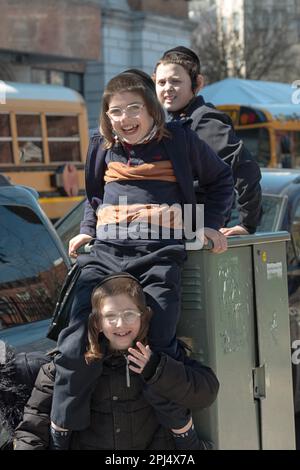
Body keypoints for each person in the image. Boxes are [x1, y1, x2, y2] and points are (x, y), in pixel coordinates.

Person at [50, 69, 233, 441]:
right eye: (115, 111)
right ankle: (61, 432)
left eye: (134, 108)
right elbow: (95, 196)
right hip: (104, 255)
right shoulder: (101, 145)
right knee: (74, 343)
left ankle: (182, 432)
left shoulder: (180, 141)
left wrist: (210, 224)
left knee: (157, 346)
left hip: (158, 255)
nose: (124, 118)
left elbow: (220, 181)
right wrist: (87, 228)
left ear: (152, 110)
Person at [13, 274, 219, 450]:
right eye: (110, 316)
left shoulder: (163, 357)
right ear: (97, 322)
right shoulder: (69, 365)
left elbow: (206, 391)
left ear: (144, 317)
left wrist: (158, 370)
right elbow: (33, 424)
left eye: (129, 314)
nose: (120, 324)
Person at [154, 46, 262, 236]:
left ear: (198, 83)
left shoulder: (205, 120)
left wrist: (246, 225)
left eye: (176, 81)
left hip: (199, 236)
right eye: (161, 82)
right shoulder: (175, 121)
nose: (167, 88)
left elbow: (245, 168)